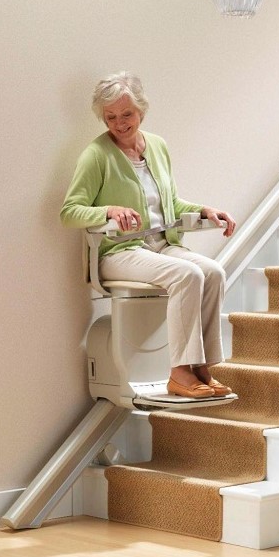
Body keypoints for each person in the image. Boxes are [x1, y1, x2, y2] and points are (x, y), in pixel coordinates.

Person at [61, 72, 237, 399]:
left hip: (160, 245)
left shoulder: (157, 146)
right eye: (110, 116)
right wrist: (108, 211)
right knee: (188, 275)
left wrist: (203, 210)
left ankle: (202, 367)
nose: (119, 123)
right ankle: (180, 373)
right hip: (117, 253)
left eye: (126, 114)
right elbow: (70, 211)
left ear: (141, 110)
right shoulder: (96, 155)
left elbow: (169, 204)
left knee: (213, 273)